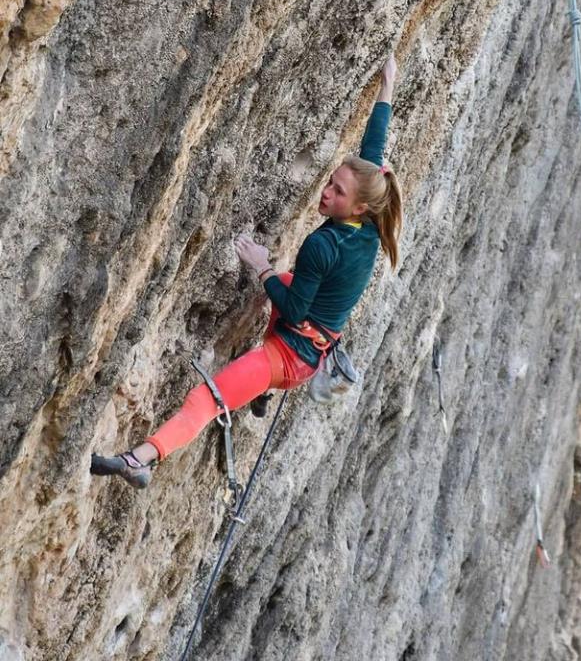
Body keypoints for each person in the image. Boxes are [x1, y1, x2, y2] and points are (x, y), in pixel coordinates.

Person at [91, 54, 402, 489]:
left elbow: (292, 313)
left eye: (337, 191)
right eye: (330, 182)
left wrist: (262, 268)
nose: (326, 192)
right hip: (317, 339)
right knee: (292, 282)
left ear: (359, 206)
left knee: (207, 399)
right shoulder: (369, 219)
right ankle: (260, 390)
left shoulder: (323, 245)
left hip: (291, 354)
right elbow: (375, 147)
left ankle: (140, 459)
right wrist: (387, 85)